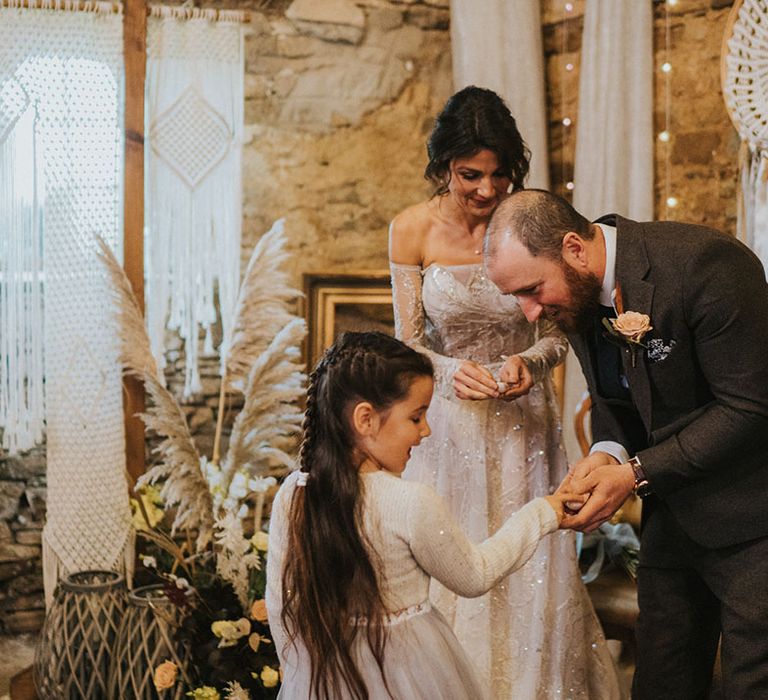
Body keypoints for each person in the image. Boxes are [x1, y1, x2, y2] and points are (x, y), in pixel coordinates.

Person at [484, 188, 768, 699]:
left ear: (573, 248)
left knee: (752, 682)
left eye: (530, 290)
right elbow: (613, 402)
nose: (529, 313)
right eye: (516, 299)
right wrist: (605, 456)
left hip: (753, 520)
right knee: (661, 680)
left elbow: (749, 406)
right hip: (672, 519)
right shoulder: (573, 297)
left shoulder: (707, 264)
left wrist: (634, 473)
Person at [389, 86, 621, 698]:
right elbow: (408, 343)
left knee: (532, 563)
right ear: (443, 166)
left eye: (499, 174)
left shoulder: (528, 221)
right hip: (446, 425)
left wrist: (528, 362)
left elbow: (559, 329)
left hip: (524, 419)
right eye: (470, 175)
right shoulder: (411, 229)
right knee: (454, 558)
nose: (487, 190)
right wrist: (445, 373)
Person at [265, 331, 580, 699]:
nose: (426, 431)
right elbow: (475, 575)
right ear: (365, 419)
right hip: (409, 678)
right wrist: (544, 512)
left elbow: (280, 603)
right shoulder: (409, 502)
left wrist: (302, 674)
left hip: (323, 678)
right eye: (416, 417)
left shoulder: (293, 493)